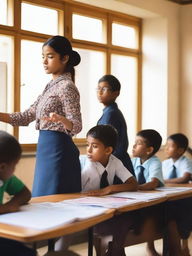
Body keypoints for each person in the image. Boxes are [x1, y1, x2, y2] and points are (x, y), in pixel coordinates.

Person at [0, 35, 82, 197]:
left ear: (65, 58)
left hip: (59, 151)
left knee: (54, 201)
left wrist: (62, 120)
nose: (44, 61)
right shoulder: (50, 87)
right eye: (43, 57)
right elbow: (22, 118)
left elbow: (77, 125)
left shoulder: (67, 87)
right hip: (46, 149)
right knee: (44, 200)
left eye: (50, 57)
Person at [55, 125, 138, 256]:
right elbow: (73, 192)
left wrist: (109, 189)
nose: (88, 150)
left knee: (125, 218)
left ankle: (114, 250)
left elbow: (133, 184)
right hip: (80, 207)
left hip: (104, 206)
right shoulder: (87, 165)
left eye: (94, 146)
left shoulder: (115, 162)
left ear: (108, 150)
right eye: (87, 144)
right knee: (68, 231)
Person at [96, 75, 135, 184]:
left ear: (115, 93)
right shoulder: (108, 112)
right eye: (98, 88)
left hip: (118, 164)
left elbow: (107, 144)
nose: (99, 92)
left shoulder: (111, 114)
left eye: (104, 89)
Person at [131, 129, 164, 256]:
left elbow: (153, 183)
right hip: (135, 197)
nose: (133, 146)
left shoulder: (155, 162)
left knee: (151, 214)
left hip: (152, 200)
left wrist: (134, 187)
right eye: (134, 142)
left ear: (149, 150)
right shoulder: (133, 161)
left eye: (138, 143)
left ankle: (150, 246)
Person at [162, 133, 192, 256]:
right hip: (168, 195)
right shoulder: (165, 163)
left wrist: (164, 181)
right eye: (166, 146)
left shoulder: (186, 161)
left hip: (184, 197)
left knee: (183, 212)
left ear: (180, 150)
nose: (166, 149)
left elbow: (184, 178)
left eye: (170, 146)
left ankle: (184, 246)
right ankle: (157, 247)